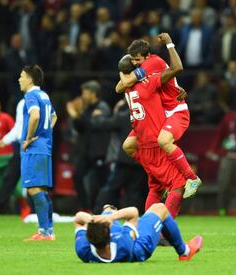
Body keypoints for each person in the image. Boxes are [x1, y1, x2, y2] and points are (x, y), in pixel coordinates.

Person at [115, 38, 201, 199]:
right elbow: (119, 87)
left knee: (163, 141)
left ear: (146, 56)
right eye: (132, 59)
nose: (134, 63)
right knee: (128, 146)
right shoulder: (144, 67)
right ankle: (158, 173)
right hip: (162, 112)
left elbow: (177, 68)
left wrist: (169, 43)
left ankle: (192, 178)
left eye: (137, 59)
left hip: (176, 110)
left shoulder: (150, 63)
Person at [74, 203, 203, 263]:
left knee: (108, 209)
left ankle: (108, 211)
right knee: (160, 208)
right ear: (110, 236)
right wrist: (111, 218)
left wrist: (94, 220)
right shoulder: (124, 245)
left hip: (111, 243)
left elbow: (78, 218)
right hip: (139, 246)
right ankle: (184, 251)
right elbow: (133, 213)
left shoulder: (83, 250)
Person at [19, 65, 57, 241]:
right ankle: (49, 231)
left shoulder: (31, 96)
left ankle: (44, 232)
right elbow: (54, 117)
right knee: (40, 189)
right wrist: (44, 133)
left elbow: (35, 115)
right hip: (45, 146)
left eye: (21, 76)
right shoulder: (44, 95)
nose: (19, 79)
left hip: (34, 148)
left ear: (29, 79)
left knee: (34, 189)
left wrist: (29, 138)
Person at [66, 80, 111, 211]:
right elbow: (81, 128)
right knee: (77, 176)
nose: (83, 96)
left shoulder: (102, 107)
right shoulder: (87, 108)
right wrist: (76, 116)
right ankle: (86, 208)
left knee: (102, 182)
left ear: (93, 93)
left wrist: (76, 115)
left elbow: (94, 125)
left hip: (99, 152)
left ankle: (106, 209)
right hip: (87, 152)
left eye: (85, 93)